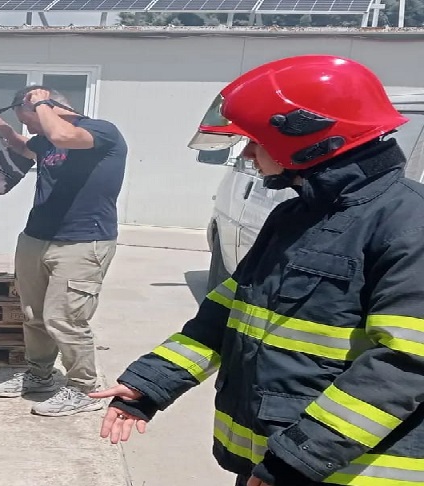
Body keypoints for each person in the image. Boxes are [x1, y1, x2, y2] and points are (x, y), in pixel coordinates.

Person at [91, 55, 424, 486]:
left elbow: (404, 364)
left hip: (338, 472)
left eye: (256, 141)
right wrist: (150, 385)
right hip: (274, 463)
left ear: (311, 142)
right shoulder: (294, 217)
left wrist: (296, 460)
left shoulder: (409, 224)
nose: (248, 153)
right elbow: (224, 315)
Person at [0, 85, 128, 417]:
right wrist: (2, 129)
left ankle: (85, 390)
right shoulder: (45, 139)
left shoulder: (100, 131)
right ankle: (40, 375)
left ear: (46, 107)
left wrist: (41, 104)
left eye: (29, 119)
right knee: (34, 315)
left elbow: (62, 135)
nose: (30, 128)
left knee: (66, 319)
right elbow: (26, 147)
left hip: (82, 241)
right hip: (37, 237)